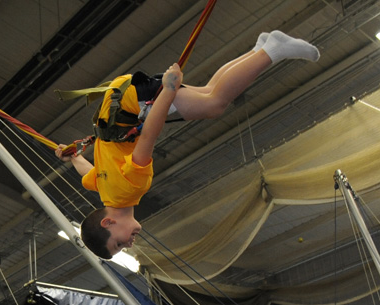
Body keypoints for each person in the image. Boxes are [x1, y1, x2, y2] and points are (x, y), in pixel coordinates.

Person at [55, 30, 320, 259]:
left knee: (215, 104)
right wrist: (73, 156)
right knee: (208, 93)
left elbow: (149, 135)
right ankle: (260, 48)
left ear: (108, 221)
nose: (129, 244)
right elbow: (87, 176)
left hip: (132, 102)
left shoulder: (130, 188)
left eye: (119, 243)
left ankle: (274, 49)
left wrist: (168, 90)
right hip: (120, 102)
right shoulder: (106, 192)